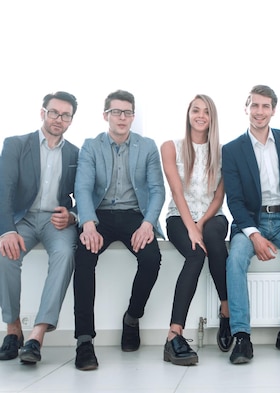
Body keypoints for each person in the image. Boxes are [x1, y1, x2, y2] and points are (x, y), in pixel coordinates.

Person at [222, 85, 280, 365]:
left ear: (273, 110)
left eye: (265, 106)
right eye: (254, 105)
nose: (259, 111)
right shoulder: (232, 149)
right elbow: (235, 200)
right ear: (246, 108)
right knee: (235, 259)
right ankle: (242, 337)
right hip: (251, 222)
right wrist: (253, 234)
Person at [73, 90, 165, 371]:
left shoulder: (147, 146)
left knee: (152, 258)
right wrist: (87, 222)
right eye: (116, 112)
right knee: (84, 258)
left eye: (127, 112)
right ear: (106, 116)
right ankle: (85, 341)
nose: (122, 117)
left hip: (134, 215)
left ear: (133, 116)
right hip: (99, 215)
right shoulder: (91, 146)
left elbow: (156, 189)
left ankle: (132, 317)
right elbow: (84, 187)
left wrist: (147, 223)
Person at [0, 92, 79, 365]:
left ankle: (37, 335)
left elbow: (86, 195)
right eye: (54, 112)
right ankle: (12, 329)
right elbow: (4, 190)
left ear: (71, 120)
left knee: (65, 255)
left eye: (65, 115)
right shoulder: (15, 145)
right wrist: (6, 230)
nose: (59, 119)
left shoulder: (75, 154)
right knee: (5, 254)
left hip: (55, 221)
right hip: (22, 219)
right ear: (42, 113)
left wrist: (71, 215)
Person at [161, 94, 231, 366]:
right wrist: (191, 227)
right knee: (195, 254)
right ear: (188, 114)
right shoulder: (171, 147)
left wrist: (200, 225)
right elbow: (176, 191)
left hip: (212, 217)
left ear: (212, 118)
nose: (200, 116)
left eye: (206, 112)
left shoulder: (224, 153)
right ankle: (173, 335)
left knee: (213, 235)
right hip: (179, 217)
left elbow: (218, 198)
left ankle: (225, 312)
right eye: (195, 110)